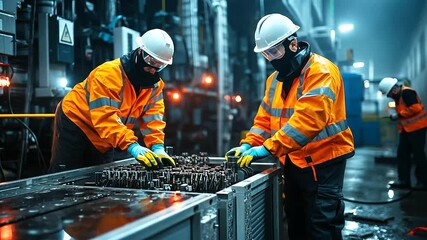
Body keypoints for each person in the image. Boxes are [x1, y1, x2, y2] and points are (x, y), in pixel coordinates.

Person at [225, 13, 355, 239]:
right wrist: (249, 145)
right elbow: (264, 119)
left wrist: (267, 149)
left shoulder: (321, 71)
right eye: (266, 53)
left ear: (293, 44)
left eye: (274, 51)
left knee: (320, 226)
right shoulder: (274, 80)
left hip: (323, 162)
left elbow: (309, 120)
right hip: (292, 161)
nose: (270, 58)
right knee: (295, 223)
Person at [49, 29, 176, 173]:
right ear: (140, 51)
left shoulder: (154, 86)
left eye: (160, 65)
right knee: (65, 174)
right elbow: (106, 118)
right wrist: (132, 146)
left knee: (99, 175)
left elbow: (153, 118)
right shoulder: (108, 75)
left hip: (107, 132)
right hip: (76, 121)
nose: (153, 69)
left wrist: (157, 146)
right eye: (151, 61)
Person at [378, 77, 427, 189]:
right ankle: (404, 181)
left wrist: (398, 115)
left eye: (388, 94)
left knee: (418, 156)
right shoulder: (398, 97)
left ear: (393, 90)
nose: (389, 97)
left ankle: (423, 182)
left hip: (417, 129)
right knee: (403, 155)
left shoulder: (407, 92)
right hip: (406, 130)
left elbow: (416, 108)